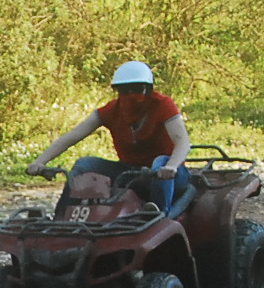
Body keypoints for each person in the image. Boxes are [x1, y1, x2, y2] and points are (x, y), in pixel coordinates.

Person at [27, 61, 193, 213]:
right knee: (84, 164)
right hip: (128, 172)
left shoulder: (162, 105)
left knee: (159, 162)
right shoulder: (112, 110)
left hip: (167, 176)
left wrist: (171, 166)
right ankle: (63, 215)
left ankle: (158, 212)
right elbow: (72, 136)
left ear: (148, 89)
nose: (130, 95)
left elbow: (183, 142)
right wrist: (40, 162)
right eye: (124, 90)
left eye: (137, 89)